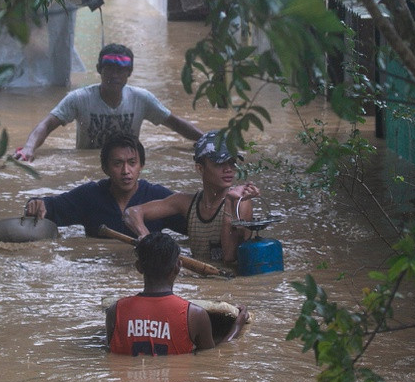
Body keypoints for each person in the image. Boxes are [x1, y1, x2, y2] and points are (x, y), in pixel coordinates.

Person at [14, 43, 202, 162]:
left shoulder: (141, 98)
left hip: (128, 164)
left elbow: (175, 123)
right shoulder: (79, 98)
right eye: (109, 69)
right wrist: (29, 149)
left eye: (121, 70)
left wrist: (205, 141)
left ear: (129, 73)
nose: (114, 75)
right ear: (99, 70)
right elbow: (47, 124)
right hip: (90, 160)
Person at [123, 130, 260, 265]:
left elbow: (229, 257)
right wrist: (145, 237)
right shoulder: (186, 203)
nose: (228, 169)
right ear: (200, 169)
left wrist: (229, 202)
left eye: (232, 162)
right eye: (219, 163)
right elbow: (132, 212)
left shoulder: (241, 202)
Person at [105, 232, 249, 355]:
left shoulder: (114, 312)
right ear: (178, 266)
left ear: (139, 267)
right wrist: (237, 326)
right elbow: (212, 360)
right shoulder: (194, 315)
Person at [24, 133, 186, 237]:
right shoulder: (89, 196)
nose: (126, 171)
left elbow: (195, 227)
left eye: (132, 163)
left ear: (141, 166)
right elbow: (48, 207)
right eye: (117, 164)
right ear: (105, 168)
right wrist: (35, 205)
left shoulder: (158, 197)